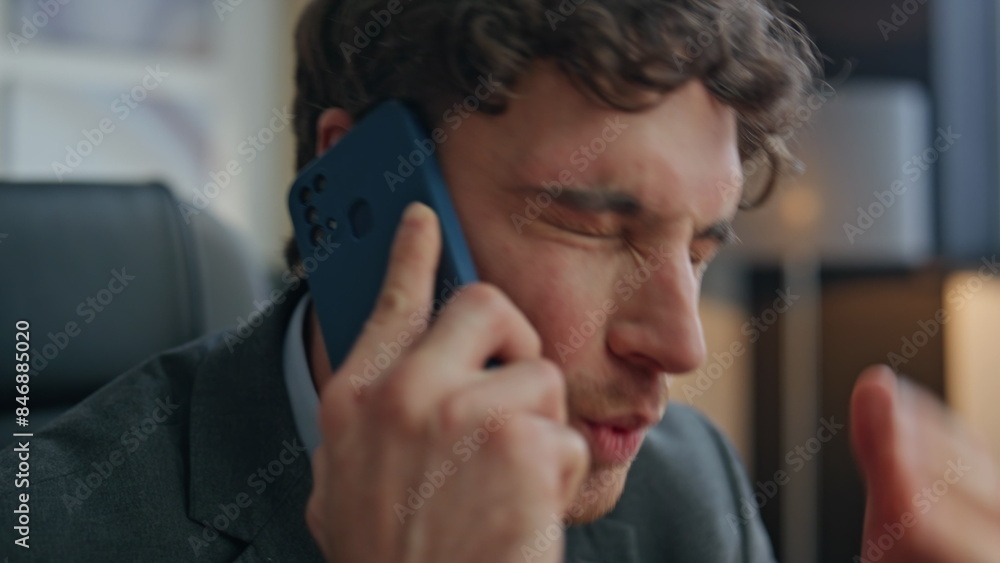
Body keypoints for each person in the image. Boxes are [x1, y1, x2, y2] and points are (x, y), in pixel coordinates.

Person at [4, 1, 999, 561]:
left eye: (700, 243)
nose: (682, 342)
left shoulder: (684, 486)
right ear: (362, 195)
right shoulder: (49, 524)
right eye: (589, 222)